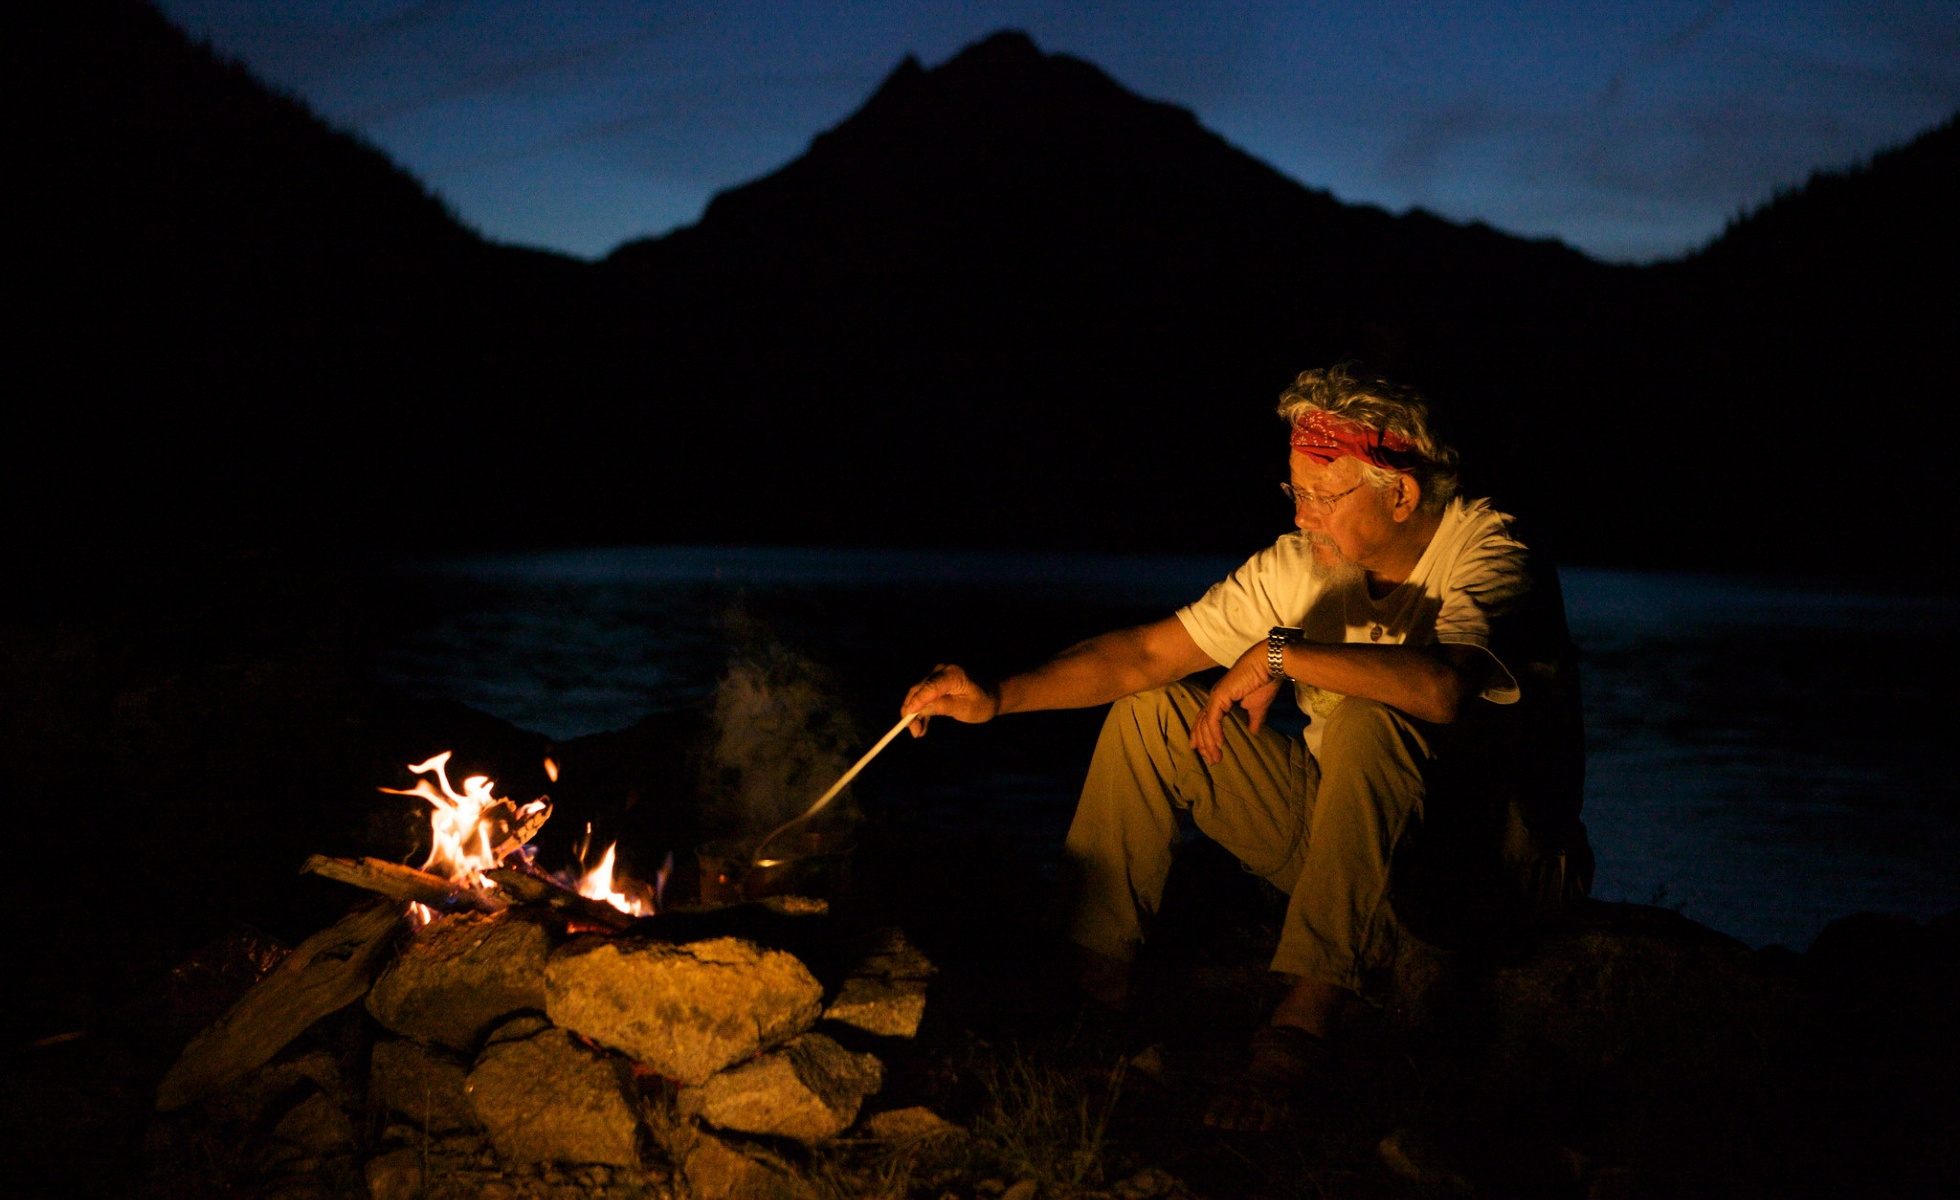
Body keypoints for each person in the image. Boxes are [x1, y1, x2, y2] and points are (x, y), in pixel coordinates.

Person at [900, 364, 1591, 1131]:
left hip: (1486, 868)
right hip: (1355, 855)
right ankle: (1093, 984)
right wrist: (998, 696)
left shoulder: (1492, 551)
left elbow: (1442, 690)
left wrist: (1278, 655)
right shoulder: (1305, 568)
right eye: (1294, 493)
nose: (1302, 519)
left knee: (1369, 717)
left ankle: (1305, 1021)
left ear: (1398, 493)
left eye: (1321, 498)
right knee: (1154, 712)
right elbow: (1141, 656)